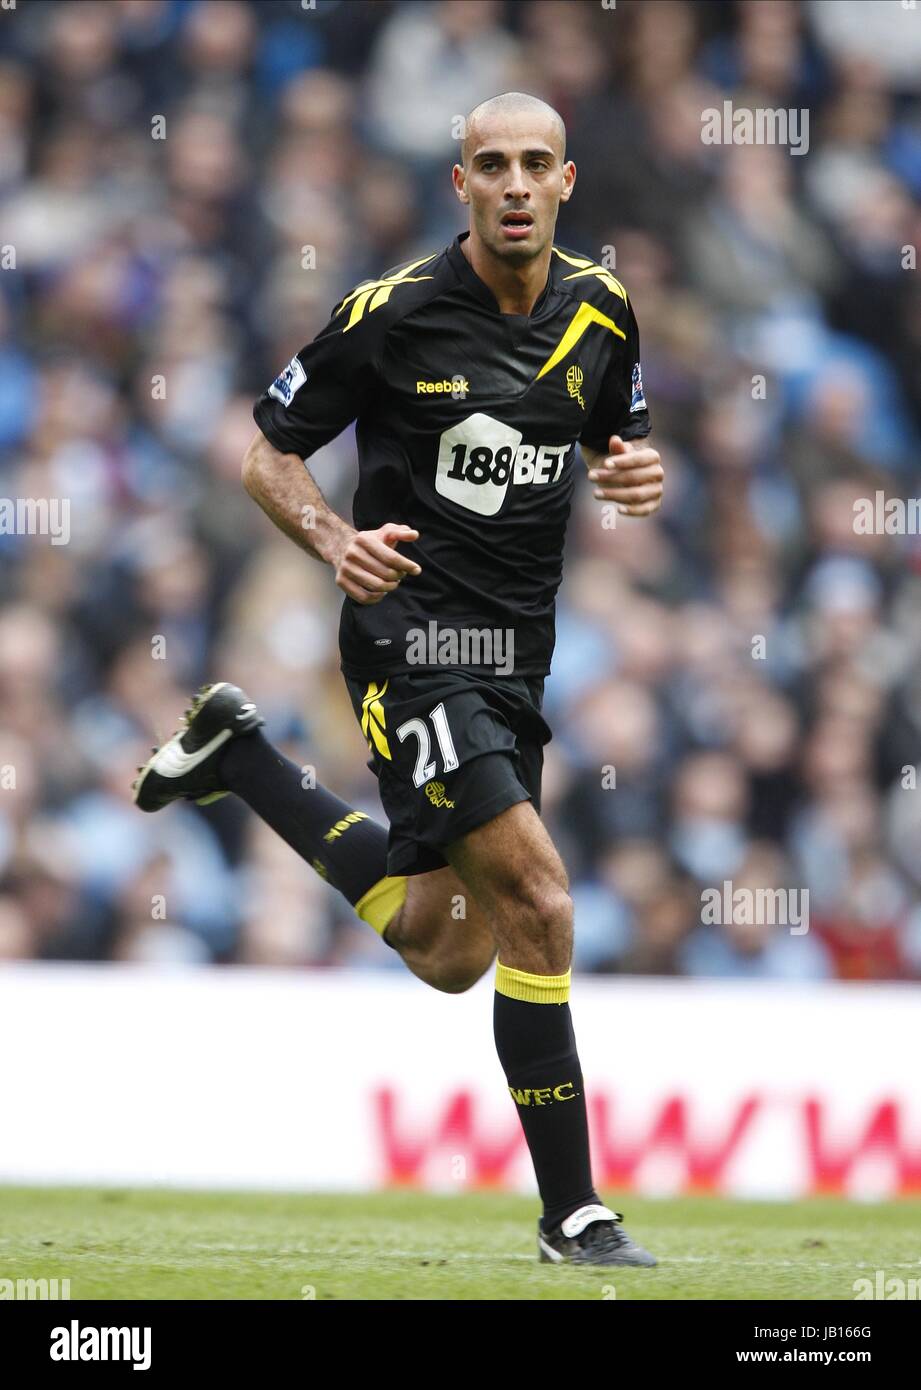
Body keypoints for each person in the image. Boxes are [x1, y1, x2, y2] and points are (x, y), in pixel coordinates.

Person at [134, 92, 664, 1266]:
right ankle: (574, 1211)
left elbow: (615, 436)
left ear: (567, 184)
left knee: (449, 948)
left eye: (536, 165)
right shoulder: (391, 316)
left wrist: (633, 475)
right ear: (459, 184)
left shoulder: (605, 309)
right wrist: (335, 542)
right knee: (541, 897)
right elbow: (265, 451)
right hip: (410, 638)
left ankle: (243, 761)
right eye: (492, 165)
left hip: (518, 659)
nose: (515, 184)